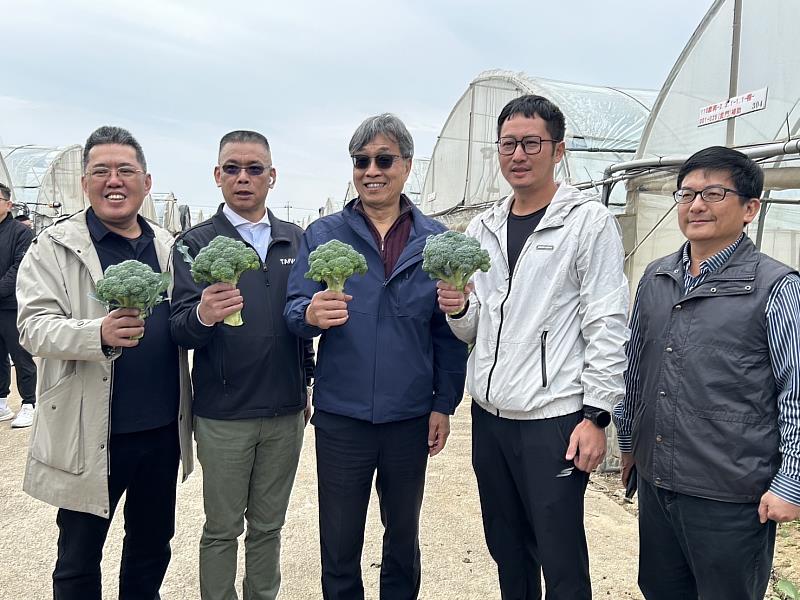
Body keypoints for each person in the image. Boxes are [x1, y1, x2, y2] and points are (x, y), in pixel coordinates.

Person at [436, 95, 629, 599]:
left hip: (554, 418)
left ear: (558, 149)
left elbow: (607, 321)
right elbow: (477, 329)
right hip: (491, 415)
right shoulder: (484, 227)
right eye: (508, 144)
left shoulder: (587, 221)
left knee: (559, 552)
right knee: (506, 547)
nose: (518, 155)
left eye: (531, 143)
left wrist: (596, 415)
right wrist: (458, 310)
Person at [284, 113, 467, 600]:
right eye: (361, 160)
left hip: (408, 415)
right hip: (342, 415)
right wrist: (310, 314)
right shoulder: (324, 234)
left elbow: (447, 334)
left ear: (406, 165)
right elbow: (293, 310)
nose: (372, 170)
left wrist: (443, 404)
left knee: (402, 537)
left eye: (384, 159)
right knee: (339, 541)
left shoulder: (436, 240)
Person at [613, 146, 800, 600]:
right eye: (687, 193)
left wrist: (790, 481)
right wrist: (628, 443)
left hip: (730, 493)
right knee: (660, 589)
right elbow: (634, 368)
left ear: (750, 208)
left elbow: (794, 391)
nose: (696, 205)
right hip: (658, 482)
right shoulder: (657, 278)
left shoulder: (775, 287)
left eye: (713, 193)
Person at [16, 126, 194, 600]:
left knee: (152, 548)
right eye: (101, 171)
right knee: (78, 560)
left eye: (125, 170)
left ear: (146, 182)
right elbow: (32, 325)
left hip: (160, 430)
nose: (113, 180)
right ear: (85, 182)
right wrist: (96, 333)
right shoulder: (54, 246)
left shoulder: (165, 246)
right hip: (90, 430)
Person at [170, 130, 314, 600]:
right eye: (232, 168)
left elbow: (302, 319)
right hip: (223, 414)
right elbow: (178, 330)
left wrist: (306, 383)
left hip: (285, 412)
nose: (243, 178)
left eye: (255, 169)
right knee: (221, 528)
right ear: (217, 176)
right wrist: (201, 315)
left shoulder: (296, 239)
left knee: (269, 526)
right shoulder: (194, 244)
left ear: (272, 177)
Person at [0, 182, 37, 427]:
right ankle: (2, 402)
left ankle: (29, 403)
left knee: (20, 354)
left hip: (12, 305)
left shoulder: (20, 232)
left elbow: (19, 268)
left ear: (8, 204)